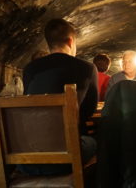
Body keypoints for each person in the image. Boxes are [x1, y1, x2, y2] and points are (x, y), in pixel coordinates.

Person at [21, 18, 98, 175]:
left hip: (27, 161)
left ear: (48, 44)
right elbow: (89, 111)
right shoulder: (87, 68)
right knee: (94, 142)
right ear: (70, 41)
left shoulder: (29, 69)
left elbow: (28, 108)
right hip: (67, 159)